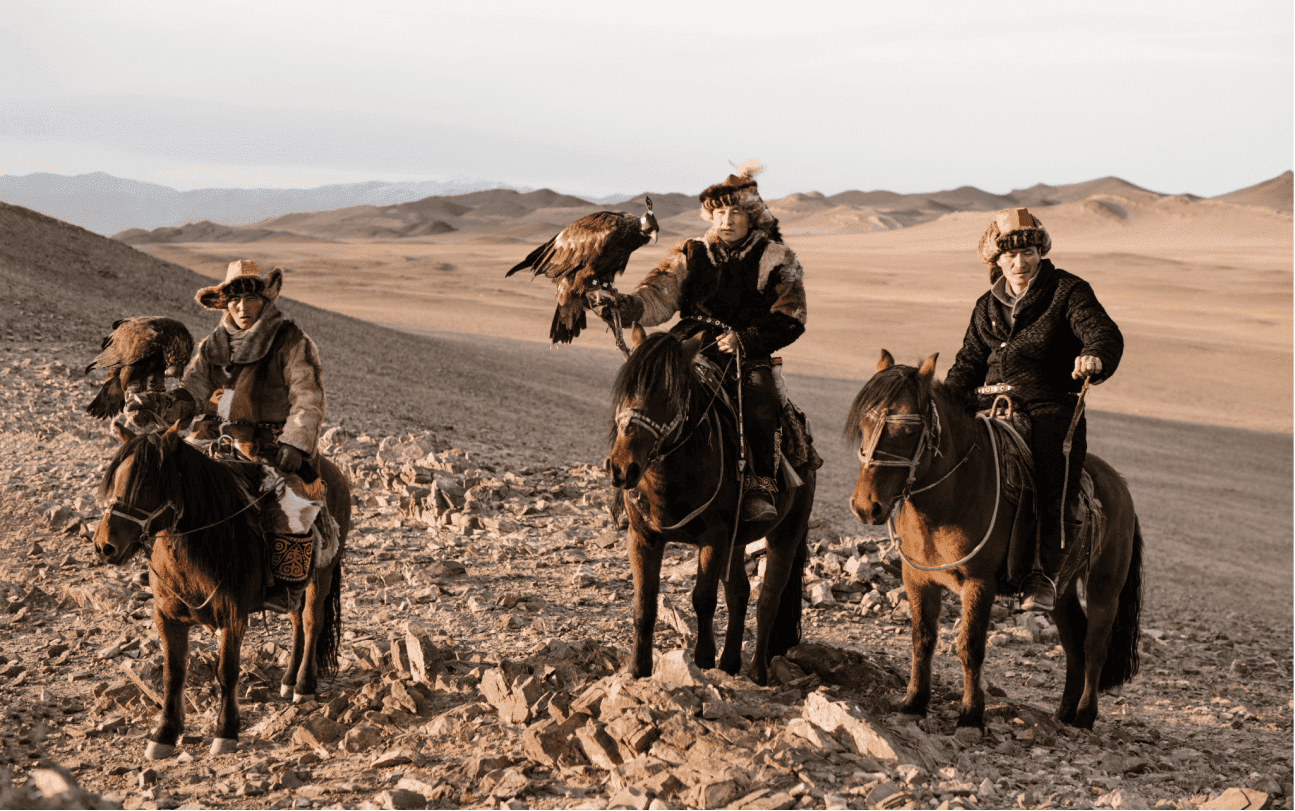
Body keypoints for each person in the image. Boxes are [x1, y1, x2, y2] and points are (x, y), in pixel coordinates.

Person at [595, 162, 808, 521]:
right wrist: (625, 305)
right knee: (641, 392)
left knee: (761, 399)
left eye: (736, 212)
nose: (725, 220)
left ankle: (759, 485)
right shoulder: (691, 252)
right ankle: (629, 485)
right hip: (686, 344)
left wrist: (747, 339)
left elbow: (792, 316)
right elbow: (658, 295)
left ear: (752, 216)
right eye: (719, 212)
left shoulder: (777, 258)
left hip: (746, 350)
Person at [945, 208, 1123, 611]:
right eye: (1010, 255)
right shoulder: (985, 306)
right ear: (996, 260)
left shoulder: (1067, 291)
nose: (1019, 262)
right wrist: (944, 398)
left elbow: (1101, 331)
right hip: (986, 408)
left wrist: (1094, 356)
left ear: (1040, 251)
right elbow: (968, 362)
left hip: (1047, 408)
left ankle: (1042, 573)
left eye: (1028, 252)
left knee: (1051, 472)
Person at [168, 259, 327, 613]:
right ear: (224, 303)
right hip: (215, 438)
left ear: (264, 300)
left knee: (293, 508)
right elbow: (195, 385)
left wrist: (295, 442)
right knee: (171, 484)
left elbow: (307, 394)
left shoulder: (291, 340)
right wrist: (179, 403)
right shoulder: (213, 345)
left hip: (270, 445)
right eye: (234, 300)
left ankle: (286, 585)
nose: (241, 307)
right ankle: (176, 568)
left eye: (250, 299)